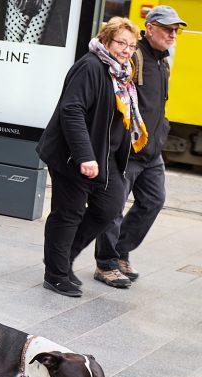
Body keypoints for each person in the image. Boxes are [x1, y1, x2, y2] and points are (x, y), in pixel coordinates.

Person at [36, 17, 146, 297]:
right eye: (121, 43)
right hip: (73, 155)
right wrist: (84, 156)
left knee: (109, 207)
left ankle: (64, 258)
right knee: (68, 213)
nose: (127, 50)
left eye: (132, 45)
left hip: (105, 155)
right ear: (106, 40)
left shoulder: (121, 72)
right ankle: (55, 274)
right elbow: (71, 111)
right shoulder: (91, 66)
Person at [94, 6, 187, 288]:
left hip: (152, 150)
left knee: (153, 200)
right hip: (128, 149)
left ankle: (120, 251)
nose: (173, 34)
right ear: (150, 28)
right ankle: (106, 264)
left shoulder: (163, 61)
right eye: (167, 29)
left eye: (176, 30)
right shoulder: (134, 56)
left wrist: (162, 131)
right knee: (114, 207)